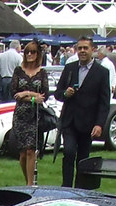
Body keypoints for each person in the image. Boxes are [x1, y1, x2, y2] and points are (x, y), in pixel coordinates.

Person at [53, 36, 110, 188]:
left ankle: (80, 189)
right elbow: (57, 93)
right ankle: (66, 187)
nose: (82, 51)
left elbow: (104, 102)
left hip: (88, 123)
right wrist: (66, 94)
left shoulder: (102, 72)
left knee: (83, 158)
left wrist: (99, 124)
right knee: (69, 152)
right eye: (80, 48)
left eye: (85, 48)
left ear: (93, 50)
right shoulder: (70, 69)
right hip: (70, 121)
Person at [11, 39, 50, 186]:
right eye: (27, 51)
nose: (29, 54)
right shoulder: (18, 71)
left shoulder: (42, 72)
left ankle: (30, 184)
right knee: (22, 153)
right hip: (20, 115)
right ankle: (26, 179)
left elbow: (44, 95)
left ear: (38, 54)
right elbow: (14, 93)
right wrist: (32, 94)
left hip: (35, 116)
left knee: (30, 150)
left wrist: (26, 95)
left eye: (33, 52)